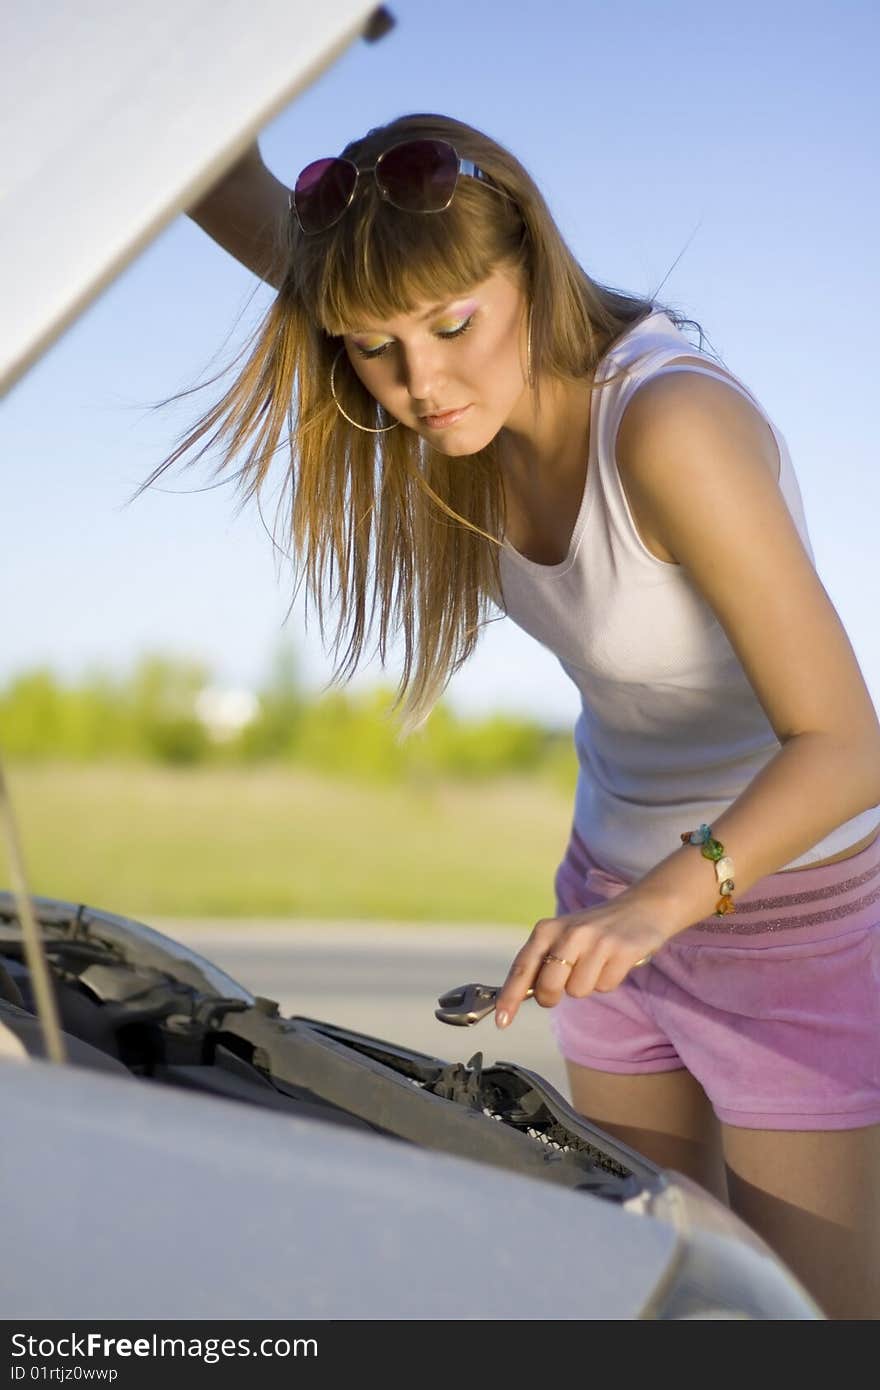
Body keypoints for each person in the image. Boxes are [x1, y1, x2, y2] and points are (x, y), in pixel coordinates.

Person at [169, 113, 880, 1318]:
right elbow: (206, 170)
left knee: (814, 1329)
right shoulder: (454, 412)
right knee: (659, 1303)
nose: (419, 384)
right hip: (609, 909)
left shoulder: (667, 426)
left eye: (454, 325)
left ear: (529, 271)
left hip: (793, 927)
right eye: (372, 347)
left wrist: (665, 899)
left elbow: (849, 745)